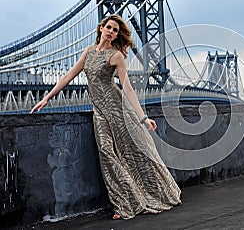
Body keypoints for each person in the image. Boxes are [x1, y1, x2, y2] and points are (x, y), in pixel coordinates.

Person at [30, 14, 181, 219]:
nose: (111, 31)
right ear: (101, 28)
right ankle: (128, 201)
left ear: (117, 35)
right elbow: (67, 76)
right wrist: (47, 98)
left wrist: (143, 117)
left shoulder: (116, 56)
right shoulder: (88, 52)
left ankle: (136, 200)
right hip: (99, 111)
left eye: (115, 30)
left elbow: (127, 88)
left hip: (117, 109)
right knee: (107, 153)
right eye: (109, 27)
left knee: (132, 153)